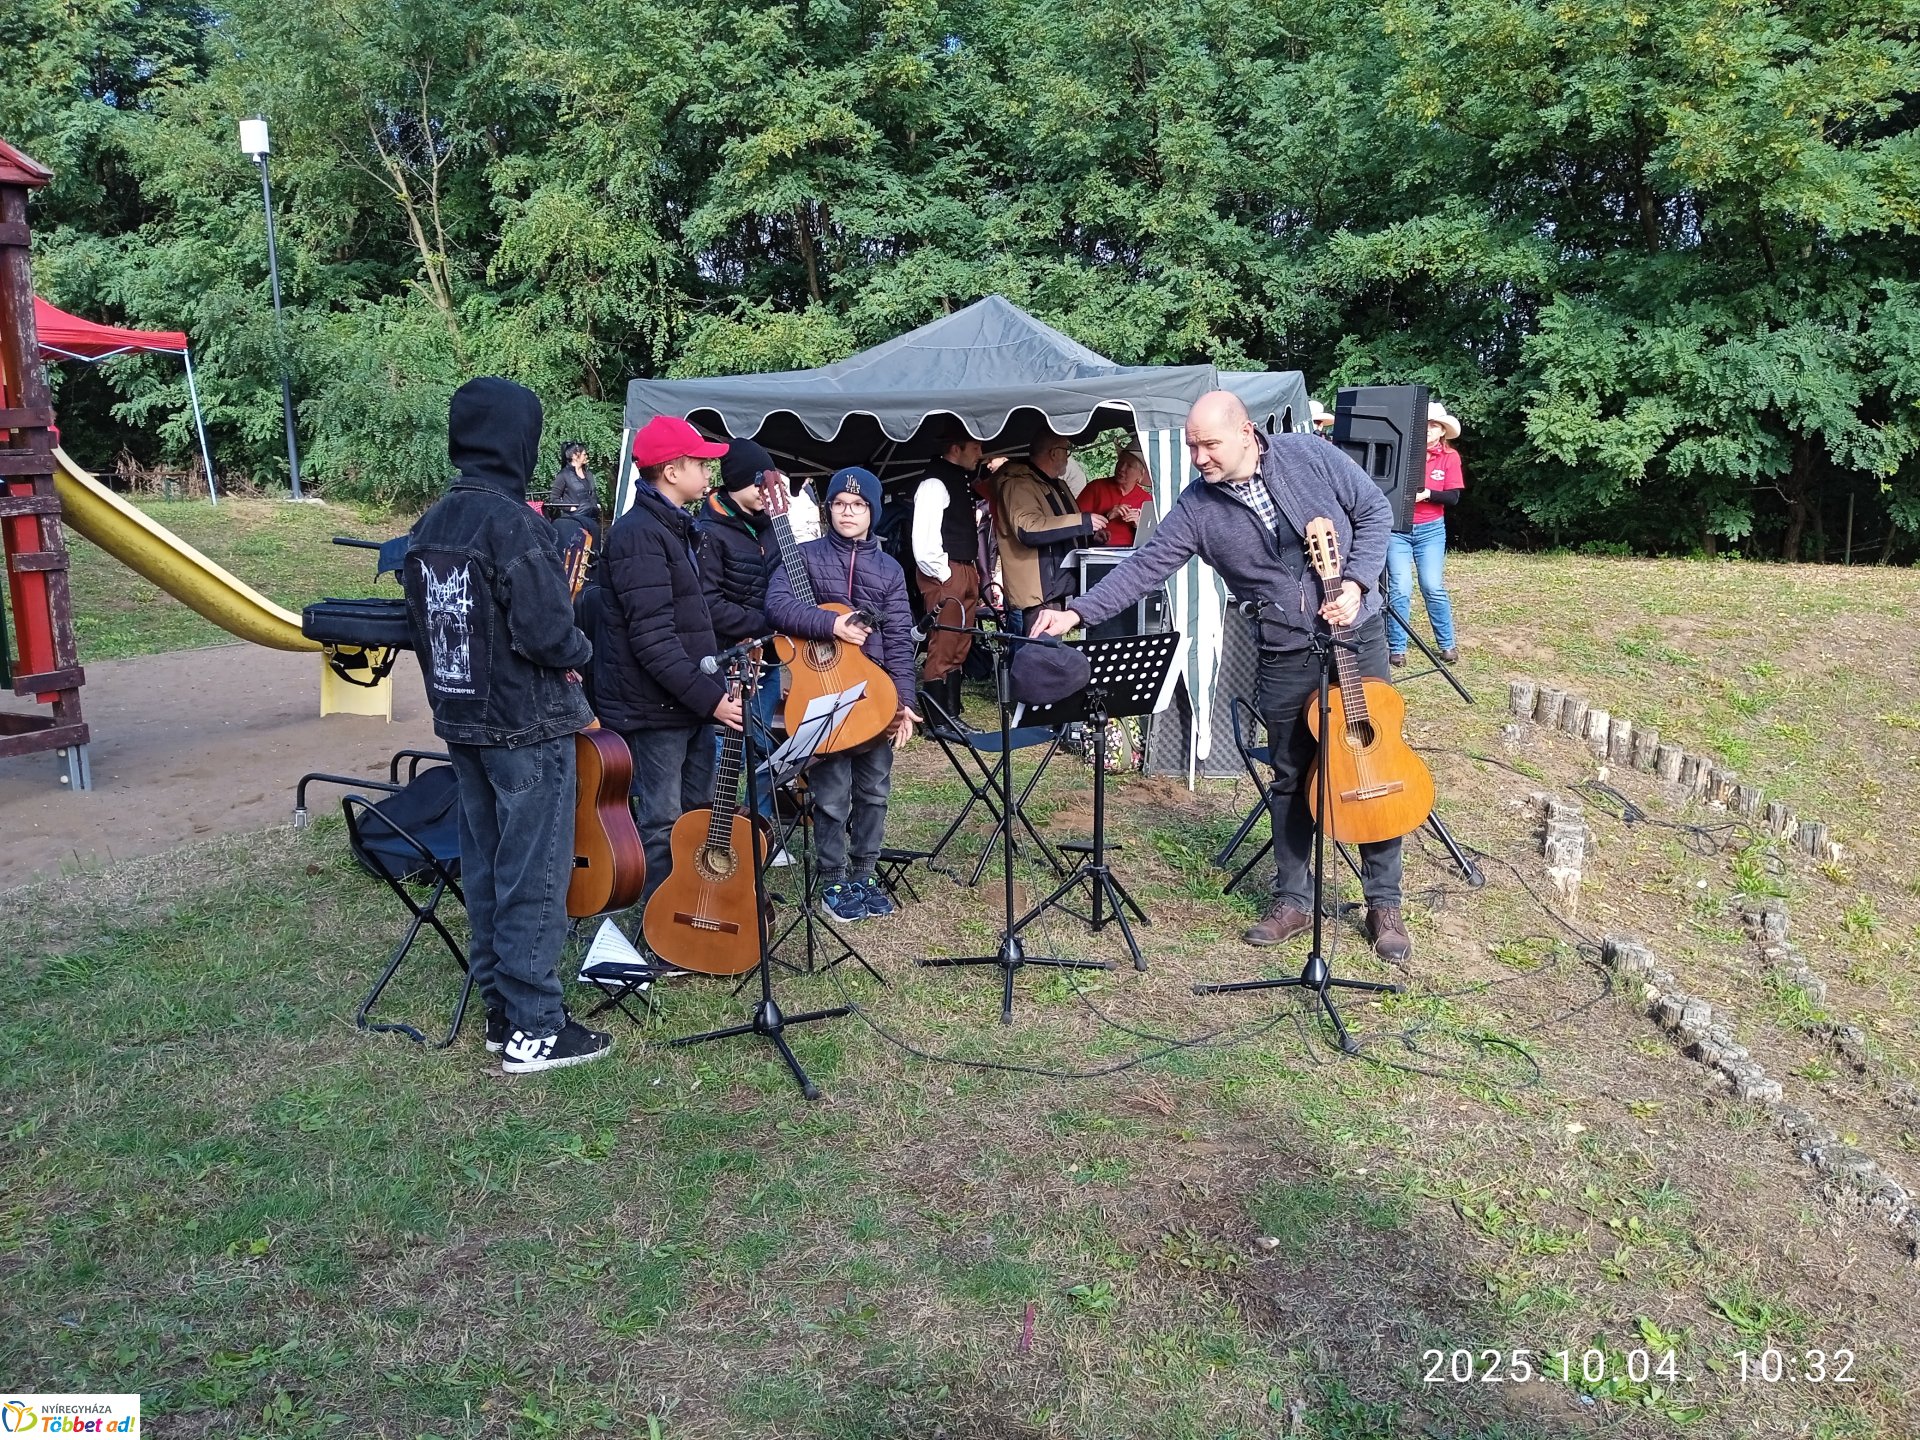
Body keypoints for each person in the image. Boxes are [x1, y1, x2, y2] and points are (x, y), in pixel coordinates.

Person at [1029, 390, 1412, 962]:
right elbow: (1144, 567)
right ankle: (1292, 899)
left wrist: (1356, 583)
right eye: (1191, 447)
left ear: (1244, 432)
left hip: (1358, 631)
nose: (1199, 457)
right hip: (1285, 650)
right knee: (1291, 775)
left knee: (1371, 758)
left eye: (1208, 444)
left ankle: (1384, 901)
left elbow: (1374, 512)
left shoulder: (1308, 454)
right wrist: (1076, 613)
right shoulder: (1197, 507)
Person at [401, 377, 611, 1074]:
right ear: (518, 437)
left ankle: (502, 1012)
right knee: (535, 876)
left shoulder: (430, 524)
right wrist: (580, 652)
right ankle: (536, 1029)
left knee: (489, 868)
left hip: (461, 722)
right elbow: (551, 633)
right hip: (525, 725)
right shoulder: (516, 524)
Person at [595, 415, 744, 919]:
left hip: (685, 702)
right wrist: (712, 699)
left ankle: (699, 910)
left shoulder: (676, 527)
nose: (709, 470)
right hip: (654, 709)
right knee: (663, 823)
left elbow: (687, 623)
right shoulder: (638, 534)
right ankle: (660, 926)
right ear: (672, 470)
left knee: (700, 816)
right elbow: (652, 639)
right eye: (701, 462)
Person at [765, 467, 920, 923]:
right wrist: (830, 624)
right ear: (827, 508)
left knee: (874, 789)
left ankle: (864, 872)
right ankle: (833, 877)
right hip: (822, 692)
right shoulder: (805, 557)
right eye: (839, 504)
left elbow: (897, 640)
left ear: (872, 512)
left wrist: (906, 703)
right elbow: (777, 607)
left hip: (875, 694)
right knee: (831, 794)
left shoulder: (889, 569)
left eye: (858, 505)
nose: (848, 512)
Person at [695, 437, 784, 827]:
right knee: (724, 746)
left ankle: (760, 828)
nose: (766, 493)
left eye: (769, 484)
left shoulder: (769, 525)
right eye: (757, 485)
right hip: (729, 660)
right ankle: (718, 826)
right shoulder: (708, 533)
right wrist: (767, 625)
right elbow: (708, 605)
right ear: (733, 483)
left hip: (769, 658)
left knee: (764, 745)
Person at [910, 419, 986, 720]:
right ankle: (936, 719)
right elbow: (924, 538)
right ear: (956, 448)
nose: (980, 453)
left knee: (960, 642)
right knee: (943, 644)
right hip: (947, 572)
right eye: (976, 447)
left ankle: (951, 714)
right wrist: (945, 574)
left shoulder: (957, 479)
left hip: (962, 569)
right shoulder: (934, 482)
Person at [994, 428, 1107, 628]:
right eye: (1066, 450)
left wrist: (1090, 536)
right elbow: (1029, 529)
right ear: (1054, 453)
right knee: (1039, 651)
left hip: (1057, 584)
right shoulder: (1019, 485)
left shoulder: (1057, 485)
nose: (1067, 457)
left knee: (1050, 651)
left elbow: (1059, 528)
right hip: (1038, 590)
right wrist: (1082, 522)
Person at [1387, 401, 1463, 668]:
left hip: (1431, 530)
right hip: (1398, 530)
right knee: (1400, 589)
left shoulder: (1450, 457)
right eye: (1424, 426)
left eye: (1434, 426)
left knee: (1432, 586)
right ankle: (1396, 648)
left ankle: (1447, 644)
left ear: (1442, 431)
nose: (1428, 430)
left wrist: (1428, 494)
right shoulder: (1404, 452)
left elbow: (1453, 497)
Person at [1075, 435, 1154, 547]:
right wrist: (1106, 517)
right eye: (1121, 462)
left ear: (1140, 475)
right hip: (1097, 554)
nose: (1122, 469)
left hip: (1133, 557)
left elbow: (1152, 540)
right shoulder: (1096, 487)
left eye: (1129, 466)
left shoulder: (1146, 499)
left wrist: (1139, 525)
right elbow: (1075, 522)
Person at [550, 441, 603, 541]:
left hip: (593, 521)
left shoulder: (589, 474)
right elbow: (553, 499)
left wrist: (597, 505)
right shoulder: (563, 475)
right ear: (575, 456)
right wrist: (570, 508)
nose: (586, 456)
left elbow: (592, 494)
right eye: (584, 454)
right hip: (576, 521)